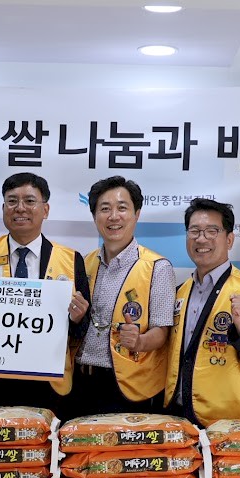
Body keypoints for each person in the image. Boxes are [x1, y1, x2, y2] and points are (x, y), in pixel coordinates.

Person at [0, 172, 90, 413]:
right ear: (3, 208)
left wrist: (78, 318)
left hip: (50, 386)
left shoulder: (71, 260)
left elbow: (81, 330)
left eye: (30, 201)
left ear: (46, 209)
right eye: (12, 201)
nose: (20, 208)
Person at [67, 176, 175, 418]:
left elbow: (162, 331)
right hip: (80, 382)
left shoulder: (157, 267)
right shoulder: (82, 263)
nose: (113, 216)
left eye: (122, 208)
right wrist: (76, 318)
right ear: (94, 216)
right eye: (105, 209)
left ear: (137, 214)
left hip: (128, 389)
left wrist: (139, 342)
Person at [164, 198, 240, 425]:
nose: (201, 239)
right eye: (194, 231)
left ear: (229, 239)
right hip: (180, 415)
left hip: (229, 422)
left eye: (212, 231)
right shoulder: (179, 292)